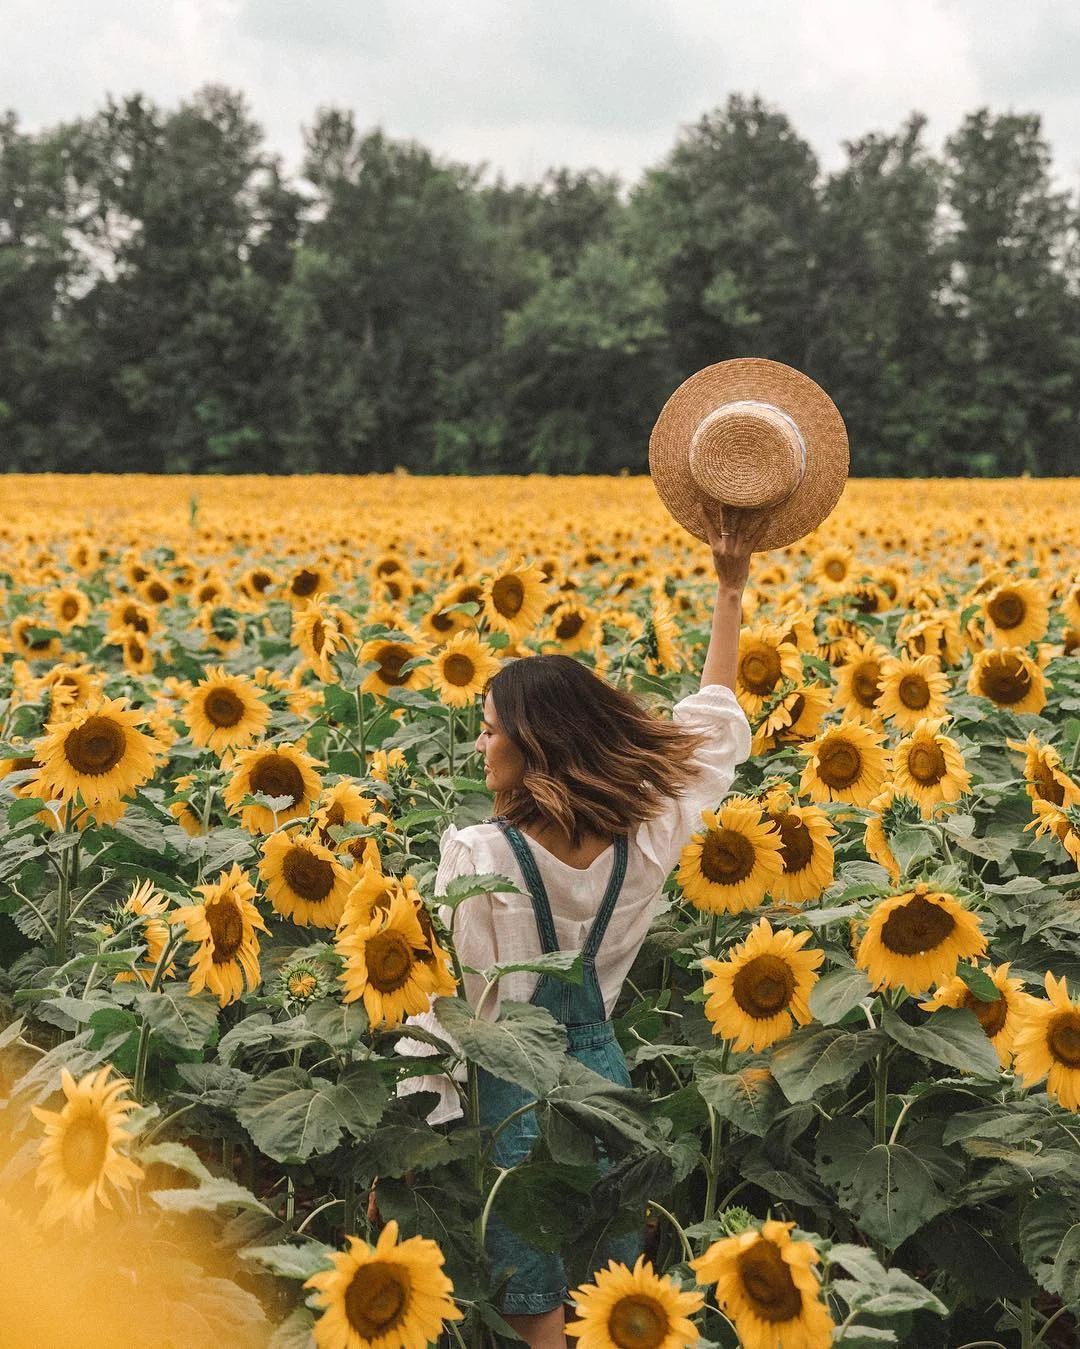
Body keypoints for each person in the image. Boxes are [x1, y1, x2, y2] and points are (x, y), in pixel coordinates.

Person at [399, 508, 763, 1348]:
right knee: (609, 1302)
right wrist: (730, 589)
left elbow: (453, 1011)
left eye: (490, 728)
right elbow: (711, 732)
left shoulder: (480, 856)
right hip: (603, 1084)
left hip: (513, 1091)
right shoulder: (648, 834)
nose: (479, 744)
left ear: (533, 746)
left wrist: (413, 1137)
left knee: (535, 1311)